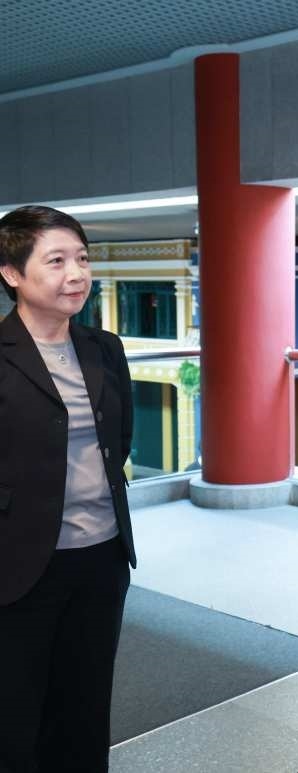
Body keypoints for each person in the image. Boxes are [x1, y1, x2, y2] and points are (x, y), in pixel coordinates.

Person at [0, 206, 136, 773]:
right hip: (19, 565)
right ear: (12, 273)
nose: (76, 274)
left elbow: (119, 441)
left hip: (101, 557)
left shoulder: (104, 348)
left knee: (86, 706)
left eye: (82, 258)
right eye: (56, 261)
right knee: (16, 716)